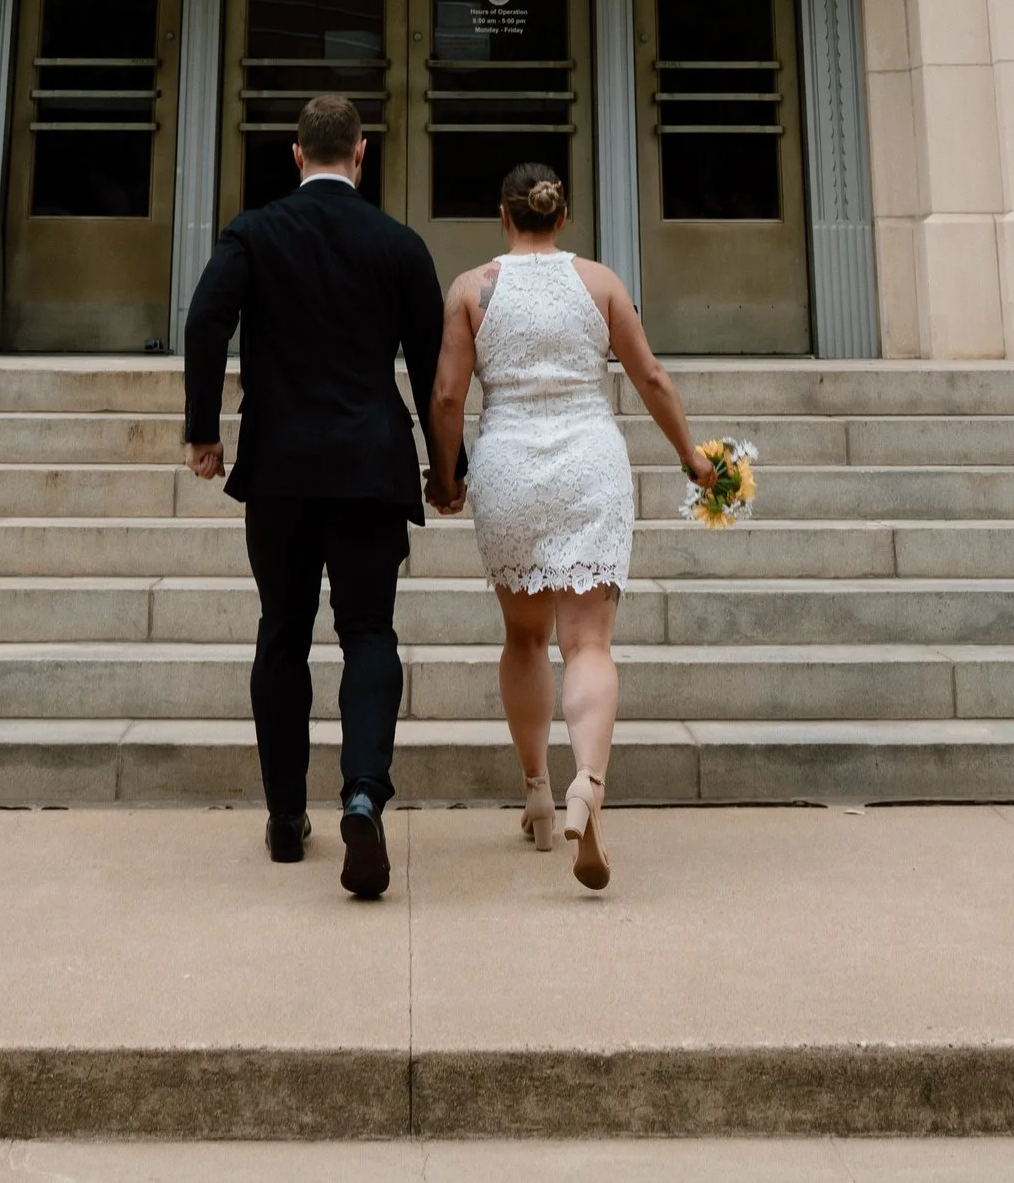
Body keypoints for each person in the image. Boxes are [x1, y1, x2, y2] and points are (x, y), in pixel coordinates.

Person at [183, 88, 452, 899]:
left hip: (282, 469)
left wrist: (203, 430)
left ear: (296, 156)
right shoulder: (399, 245)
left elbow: (204, 320)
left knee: (282, 633)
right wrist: (448, 467)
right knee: (369, 630)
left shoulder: (255, 231)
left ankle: (284, 818)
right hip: (370, 465)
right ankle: (364, 793)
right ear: (362, 155)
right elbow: (437, 371)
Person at [428, 158, 707, 892]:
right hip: (590, 462)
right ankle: (590, 779)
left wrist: (447, 476)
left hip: (511, 464)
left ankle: (538, 794)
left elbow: (449, 395)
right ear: (562, 216)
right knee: (589, 642)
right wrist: (691, 457)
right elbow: (651, 378)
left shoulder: (471, 290)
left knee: (524, 635)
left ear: (503, 216)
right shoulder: (601, 282)